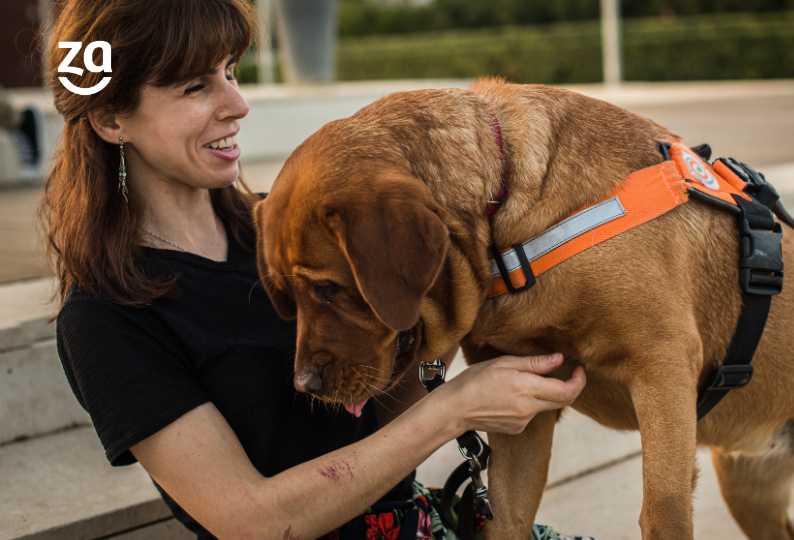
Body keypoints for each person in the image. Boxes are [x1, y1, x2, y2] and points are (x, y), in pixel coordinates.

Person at [42, 1, 587, 539]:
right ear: (111, 117)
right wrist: (453, 409)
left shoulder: (284, 231)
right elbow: (252, 521)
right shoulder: (105, 317)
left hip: (418, 524)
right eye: (194, 87)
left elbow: (373, 421)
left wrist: (450, 304)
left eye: (231, 71)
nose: (236, 104)